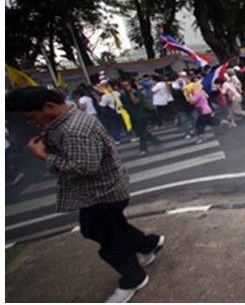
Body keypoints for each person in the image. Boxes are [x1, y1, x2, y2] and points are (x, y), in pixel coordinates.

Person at [6, 87, 165, 303]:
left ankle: (134, 277)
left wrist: (44, 156)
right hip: (105, 189)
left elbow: (84, 167)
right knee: (114, 227)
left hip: (101, 192)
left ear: (49, 106)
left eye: (33, 117)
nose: (33, 122)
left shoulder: (74, 129)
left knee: (105, 236)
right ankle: (149, 244)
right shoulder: (65, 122)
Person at [119, 79, 161, 155]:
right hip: (132, 116)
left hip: (142, 115)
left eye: (127, 85)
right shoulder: (122, 95)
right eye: (124, 86)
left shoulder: (136, 92)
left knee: (142, 132)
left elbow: (135, 102)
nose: (126, 87)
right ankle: (156, 141)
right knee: (141, 132)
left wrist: (130, 92)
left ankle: (143, 148)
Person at [184, 77, 220, 144]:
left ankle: (201, 138)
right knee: (211, 121)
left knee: (199, 125)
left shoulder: (197, 94)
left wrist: (188, 94)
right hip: (205, 110)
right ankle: (224, 123)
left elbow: (192, 102)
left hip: (203, 111)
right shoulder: (201, 92)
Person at [171, 71, 196, 138]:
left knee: (194, 118)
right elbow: (175, 95)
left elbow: (193, 91)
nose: (182, 79)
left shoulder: (188, 84)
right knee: (184, 120)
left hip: (190, 104)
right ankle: (187, 133)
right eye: (180, 77)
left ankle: (196, 130)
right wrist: (182, 90)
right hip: (180, 106)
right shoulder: (174, 86)